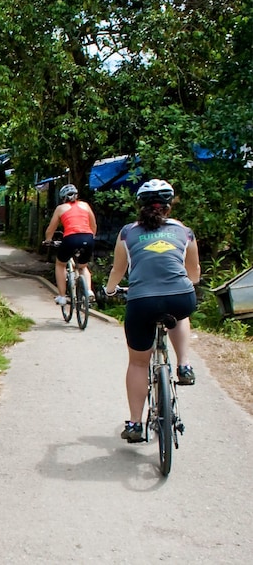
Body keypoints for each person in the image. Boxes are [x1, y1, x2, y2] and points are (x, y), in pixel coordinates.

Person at [103, 179, 200, 443]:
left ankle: (135, 424)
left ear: (140, 206)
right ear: (169, 207)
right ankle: (184, 365)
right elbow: (194, 273)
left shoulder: (127, 233)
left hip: (141, 301)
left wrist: (110, 290)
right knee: (180, 313)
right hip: (180, 296)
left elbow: (118, 270)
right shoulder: (184, 231)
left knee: (137, 362)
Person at [43, 184, 97, 305]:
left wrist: (48, 240)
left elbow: (51, 229)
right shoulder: (85, 205)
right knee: (83, 266)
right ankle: (88, 291)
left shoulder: (60, 208)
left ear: (63, 198)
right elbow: (93, 225)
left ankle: (62, 296)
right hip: (88, 237)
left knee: (60, 264)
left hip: (71, 238)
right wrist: (91, 237)